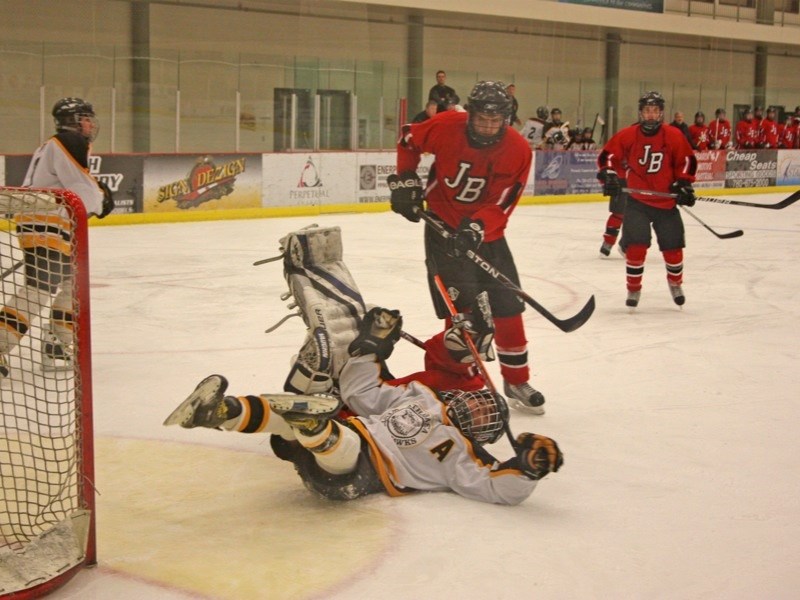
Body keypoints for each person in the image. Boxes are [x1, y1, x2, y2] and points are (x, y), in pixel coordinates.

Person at [164, 307, 563, 505]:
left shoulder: (466, 457)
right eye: (479, 404)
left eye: (483, 417)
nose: (476, 411)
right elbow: (362, 394)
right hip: (354, 434)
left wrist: (528, 471)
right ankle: (220, 412)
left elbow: (498, 488)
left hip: (362, 473)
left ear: (483, 432)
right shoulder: (422, 396)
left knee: (332, 436)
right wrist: (372, 344)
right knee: (303, 420)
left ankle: (315, 429)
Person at [386, 80, 546, 415]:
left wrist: (477, 226)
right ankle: (459, 383)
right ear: (470, 114)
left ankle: (516, 379)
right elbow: (407, 138)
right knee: (461, 314)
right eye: (482, 119)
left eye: (496, 120)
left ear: (506, 119)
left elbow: (503, 202)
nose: (488, 127)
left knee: (508, 305)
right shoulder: (446, 125)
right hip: (443, 229)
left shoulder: (517, 150)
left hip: (488, 235)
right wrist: (406, 179)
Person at [0, 97, 114, 380]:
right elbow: (80, 187)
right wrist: (100, 199)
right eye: (85, 117)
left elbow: (73, 184)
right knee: (38, 291)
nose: (90, 123)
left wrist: (97, 196)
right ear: (74, 121)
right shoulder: (68, 141)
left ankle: (57, 345)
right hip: (45, 226)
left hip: (48, 224)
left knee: (71, 284)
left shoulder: (55, 144)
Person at [597, 90, 697, 308]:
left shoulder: (673, 135)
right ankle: (633, 289)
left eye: (655, 111)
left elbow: (687, 160)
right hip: (637, 202)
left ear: (661, 113)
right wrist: (610, 174)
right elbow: (609, 156)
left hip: (666, 204)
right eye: (647, 111)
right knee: (636, 247)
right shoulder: (628, 135)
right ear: (641, 113)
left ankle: (675, 283)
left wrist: (684, 183)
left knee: (673, 248)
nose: (650, 115)